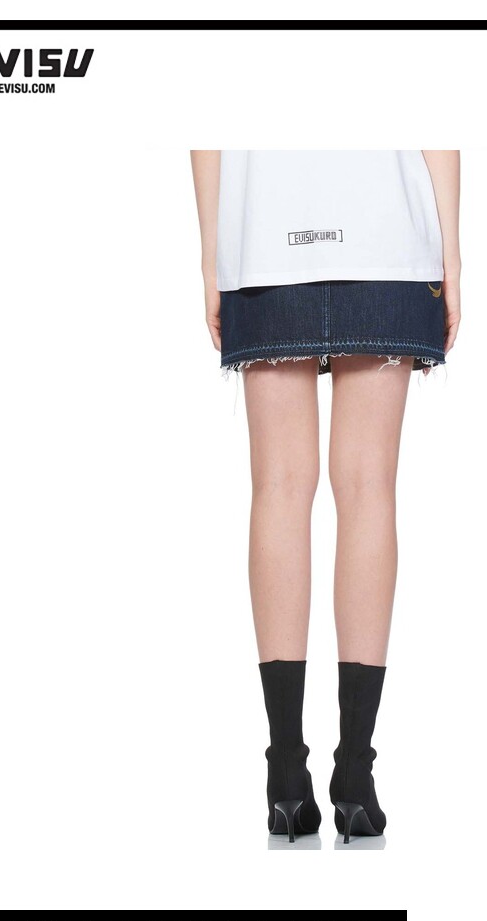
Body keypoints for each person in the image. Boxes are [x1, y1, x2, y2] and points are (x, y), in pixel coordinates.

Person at [191, 150, 461, 843]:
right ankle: (356, 775)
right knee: (369, 489)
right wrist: (451, 251)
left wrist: (214, 252)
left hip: (265, 237)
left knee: (279, 486)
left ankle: (286, 771)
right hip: (388, 238)